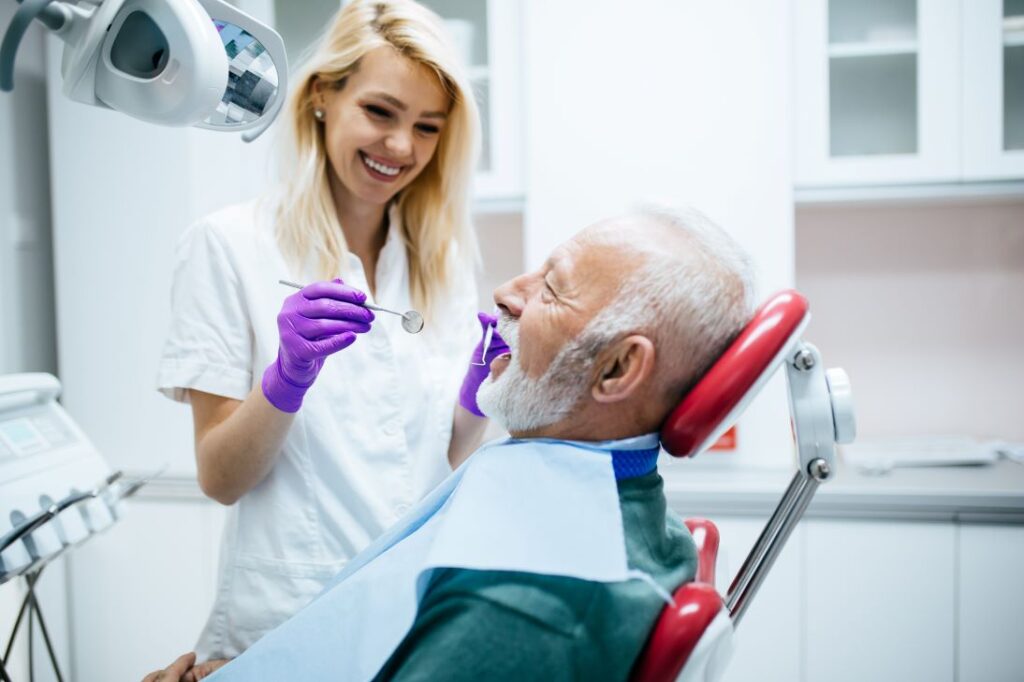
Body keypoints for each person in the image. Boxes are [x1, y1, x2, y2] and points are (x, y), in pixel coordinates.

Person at [144, 206, 754, 681]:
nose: (506, 293)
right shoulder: (601, 501)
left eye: (551, 288)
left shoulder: (522, 610)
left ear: (618, 371)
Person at [155, 0, 506, 673]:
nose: (402, 148)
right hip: (290, 622)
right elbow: (221, 477)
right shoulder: (228, 245)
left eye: (428, 127)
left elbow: (441, 455)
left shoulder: (442, 258)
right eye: (380, 112)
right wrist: (285, 379)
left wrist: (478, 398)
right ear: (322, 97)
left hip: (414, 610)